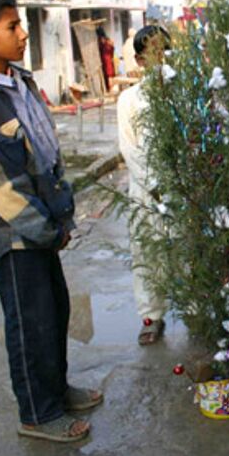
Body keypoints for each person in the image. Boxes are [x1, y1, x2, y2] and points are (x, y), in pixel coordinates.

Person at [0, 0, 102, 443]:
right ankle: (37, 413)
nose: (22, 35)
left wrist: (61, 218)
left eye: (20, 25)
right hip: (18, 236)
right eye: (12, 27)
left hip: (47, 225)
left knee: (54, 312)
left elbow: (44, 148)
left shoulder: (20, 82)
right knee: (29, 323)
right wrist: (42, 228)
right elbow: (2, 185)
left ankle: (55, 390)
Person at [117, 25, 171, 345]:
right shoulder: (129, 100)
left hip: (182, 189)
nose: (159, 57)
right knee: (148, 254)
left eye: (163, 49)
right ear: (139, 60)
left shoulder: (182, 92)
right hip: (146, 190)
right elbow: (129, 148)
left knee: (184, 253)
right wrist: (155, 184)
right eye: (151, 51)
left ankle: (194, 308)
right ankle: (152, 316)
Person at [96, 26, 115, 91]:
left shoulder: (104, 42)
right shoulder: (108, 41)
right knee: (109, 75)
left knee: (109, 75)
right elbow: (112, 49)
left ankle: (110, 89)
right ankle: (109, 89)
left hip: (106, 60)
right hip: (107, 60)